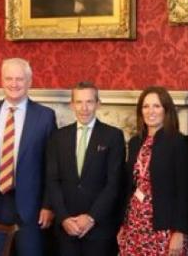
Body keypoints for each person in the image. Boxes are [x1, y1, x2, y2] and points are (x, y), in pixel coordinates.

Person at [0, 58, 57, 256]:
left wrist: (48, 205)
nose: (14, 84)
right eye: (9, 78)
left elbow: (52, 167)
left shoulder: (45, 116)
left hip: (31, 208)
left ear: (29, 82)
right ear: (1, 81)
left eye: (19, 79)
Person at [45, 81, 125, 255]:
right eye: (79, 102)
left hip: (99, 228)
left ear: (98, 104)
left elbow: (114, 184)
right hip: (66, 228)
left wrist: (91, 217)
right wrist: (64, 218)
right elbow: (52, 181)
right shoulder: (58, 137)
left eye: (89, 102)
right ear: (72, 104)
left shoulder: (113, 136)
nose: (84, 108)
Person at [119, 86, 188, 256]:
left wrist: (180, 232)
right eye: (146, 106)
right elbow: (128, 187)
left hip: (164, 227)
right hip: (134, 223)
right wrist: (122, 224)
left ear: (166, 110)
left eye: (156, 106)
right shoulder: (135, 142)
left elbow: (185, 191)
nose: (150, 111)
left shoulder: (178, 142)